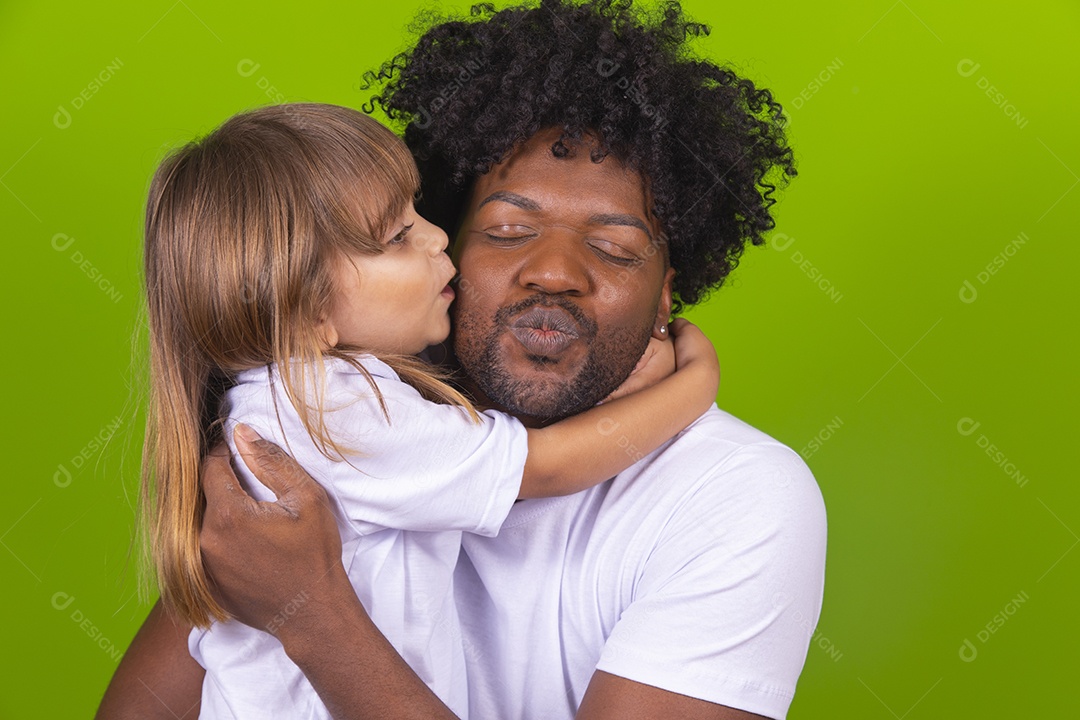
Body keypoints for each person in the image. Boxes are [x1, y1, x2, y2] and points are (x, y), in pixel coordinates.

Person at [98, 2, 827, 719]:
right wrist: (697, 379)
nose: (554, 272)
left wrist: (316, 617)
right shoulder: (340, 422)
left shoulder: (737, 496)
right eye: (508, 230)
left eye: (611, 248)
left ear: (668, 296)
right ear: (455, 250)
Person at [133, 101, 718, 719]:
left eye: (613, 247)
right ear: (309, 313)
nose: (438, 236)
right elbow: (544, 465)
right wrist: (693, 383)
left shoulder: (274, 400)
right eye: (397, 237)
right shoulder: (338, 406)